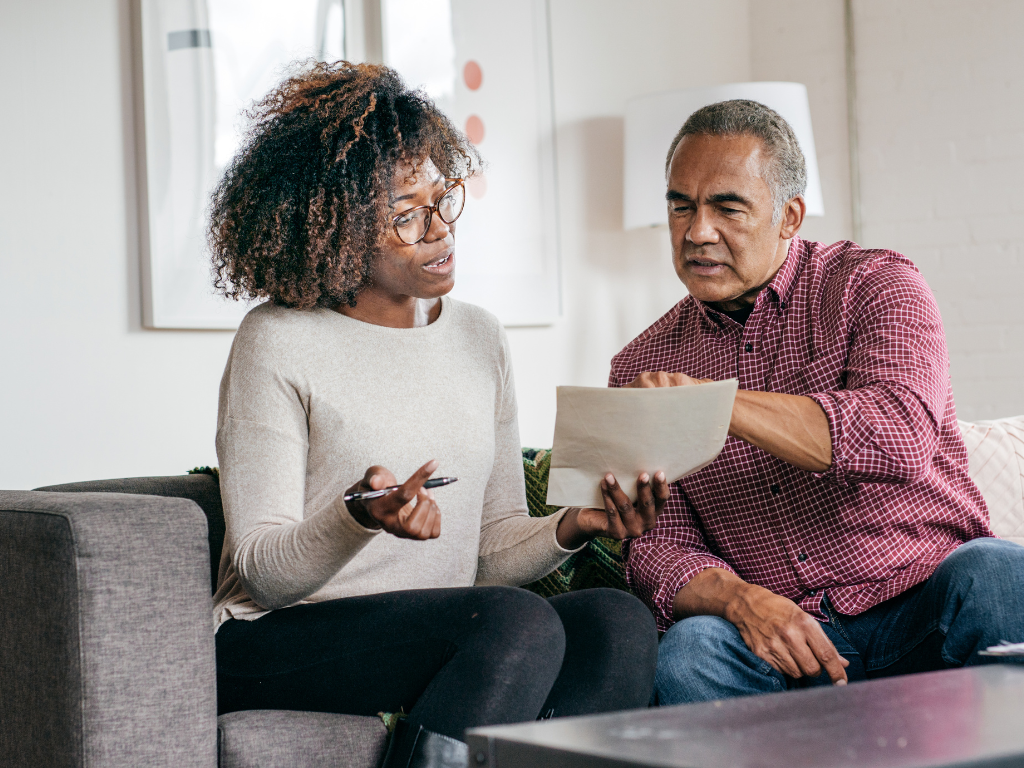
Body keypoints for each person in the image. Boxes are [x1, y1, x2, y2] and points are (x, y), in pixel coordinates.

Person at [207, 60, 663, 768]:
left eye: (442, 197)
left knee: (618, 622)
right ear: (334, 228)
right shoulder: (278, 340)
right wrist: (359, 514)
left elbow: (490, 547)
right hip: (277, 638)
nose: (439, 229)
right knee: (513, 625)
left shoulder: (479, 337)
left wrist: (576, 525)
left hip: (448, 626)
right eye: (405, 214)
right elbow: (261, 570)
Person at [612, 99, 1024, 705]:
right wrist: (741, 600)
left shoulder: (876, 285)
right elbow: (655, 544)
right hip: (780, 638)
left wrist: (712, 404)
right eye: (681, 206)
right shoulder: (638, 367)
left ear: (789, 216)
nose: (698, 231)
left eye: (727, 207)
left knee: (1000, 574)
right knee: (692, 652)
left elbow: (898, 435)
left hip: (924, 602)